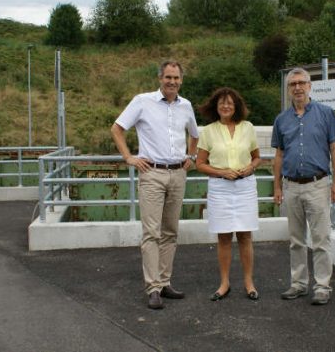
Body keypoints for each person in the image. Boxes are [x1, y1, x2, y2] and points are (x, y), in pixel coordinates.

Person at [110, 60, 199, 310]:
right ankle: (153, 288)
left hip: (177, 174)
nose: (172, 82)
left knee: (170, 231)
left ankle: (165, 281)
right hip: (152, 173)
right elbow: (117, 129)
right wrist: (129, 157)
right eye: (168, 77)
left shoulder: (186, 106)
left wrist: (191, 157)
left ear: (181, 80)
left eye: (176, 78)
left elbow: (194, 134)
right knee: (151, 232)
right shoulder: (142, 101)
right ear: (160, 78)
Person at [272, 67, 335, 306]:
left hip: (317, 184)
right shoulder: (281, 120)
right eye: (293, 84)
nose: (297, 87)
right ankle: (298, 283)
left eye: (301, 83)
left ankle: (322, 286)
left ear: (310, 86)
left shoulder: (325, 114)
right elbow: (279, 155)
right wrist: (277, 187)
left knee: (321, 239)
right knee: (296, 240)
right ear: (288, 89)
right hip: (292, 186)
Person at [195, 88, 262, 302]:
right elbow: (200, 164)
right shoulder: (208, 131)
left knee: (245, 235)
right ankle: (224, 283)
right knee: (223, 237)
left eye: (230, 103)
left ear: (237, 106)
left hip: (245, 187)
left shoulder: (248, 128)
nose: (226, 106)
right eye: (222, 103)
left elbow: (257, 158)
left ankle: (248, 282)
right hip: (220, 188)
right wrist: (222, 172)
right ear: (216, 106)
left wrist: (251, 168)